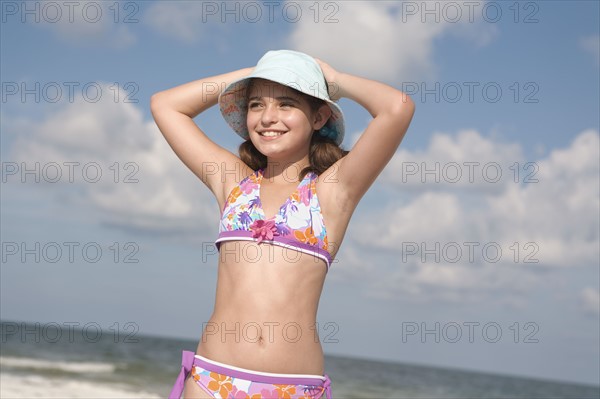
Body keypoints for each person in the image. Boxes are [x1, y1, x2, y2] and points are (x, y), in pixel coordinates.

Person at [150, 49, 415, 399]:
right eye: (257, 104)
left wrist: (333, 80)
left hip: (291, 388)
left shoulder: (332, 192)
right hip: (212, 379)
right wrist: (254, 71)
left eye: (286, 104)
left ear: (319, 117)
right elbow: (165, 105)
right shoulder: (233, 182)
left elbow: (396, 108)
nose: (267, 118)